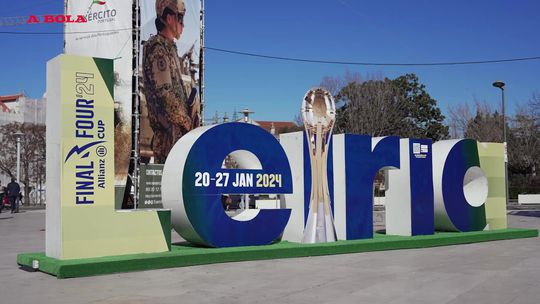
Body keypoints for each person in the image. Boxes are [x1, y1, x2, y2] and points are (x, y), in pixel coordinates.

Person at [142, 0, 201, 164]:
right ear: (169, 18)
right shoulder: (157, 48)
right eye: (180, 18)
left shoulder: (170, 49)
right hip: (169, 141)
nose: (183, 25)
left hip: (178, 138)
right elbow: (165, 94)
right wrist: (188, 123)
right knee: (171, 187)